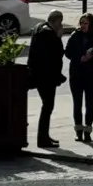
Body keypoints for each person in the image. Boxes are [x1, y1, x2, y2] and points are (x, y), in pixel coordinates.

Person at [65, 12, 93, 142]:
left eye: (86, 23)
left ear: (91, 24)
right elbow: (68, 52)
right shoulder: (75, 36)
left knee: (89, 103)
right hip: (76, 73)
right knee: (77, 103)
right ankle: (78, 130)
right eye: (81, 23)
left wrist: (92, 56)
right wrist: (80, 57)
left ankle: (88, 130)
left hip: (90, 75)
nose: (83, 25)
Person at [27, 9, 65, 149]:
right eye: (60, 23)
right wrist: (59, 37)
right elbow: (55, 55)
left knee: (47, 106)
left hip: (40, 74)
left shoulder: (39, 27)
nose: (60, 26)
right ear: (56, 21)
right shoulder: (49, 34)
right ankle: (42, 138)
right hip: (46, 77)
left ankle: (44, 136)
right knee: (48, 106)